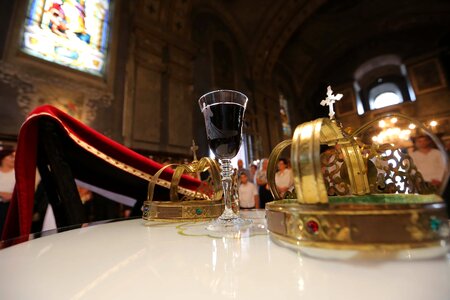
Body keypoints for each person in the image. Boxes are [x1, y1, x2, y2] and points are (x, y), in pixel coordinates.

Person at [0, 147, 15, 235]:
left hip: (9, 208)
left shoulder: (16, 174)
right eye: (11, 156)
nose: (14, 159)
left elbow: (15, 195)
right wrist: (2, 193)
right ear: (3, 158)